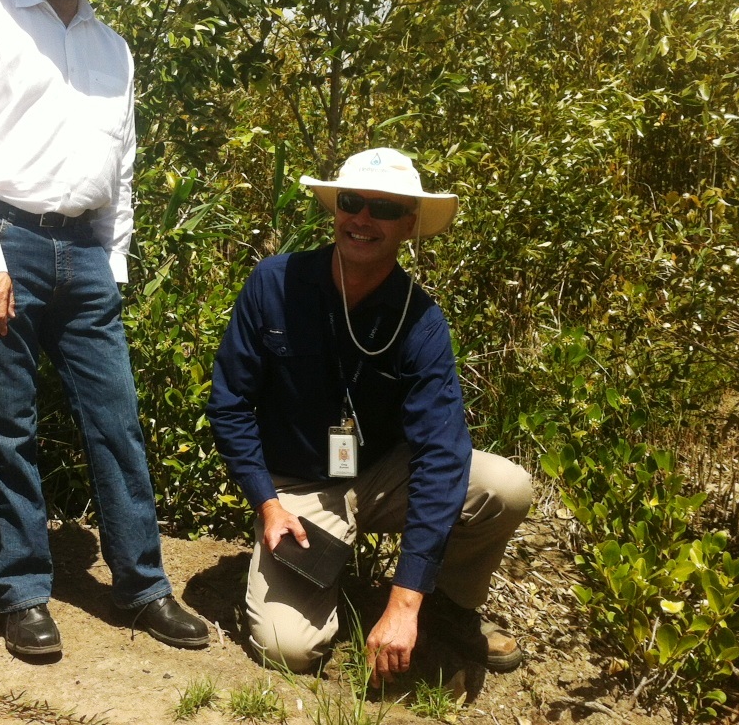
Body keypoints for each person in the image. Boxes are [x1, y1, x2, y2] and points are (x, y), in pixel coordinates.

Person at [0, 0, 208, 657]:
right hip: (1, 241)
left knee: (116, 421)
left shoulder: (108, 46)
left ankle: (144, 587)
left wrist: (112, 260)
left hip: (84, 252)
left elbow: (121, 159)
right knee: (7, 423)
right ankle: (22, 590)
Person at [206, 148, 532, 677]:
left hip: (381, 477)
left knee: (505, 486)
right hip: (296, 490)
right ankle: (328, 584)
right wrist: (267, 503)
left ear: (408, 224)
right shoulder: (274, 284)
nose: (362, 219)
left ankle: (446, 609)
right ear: (336, 210)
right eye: (352, 202)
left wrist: (405, 604)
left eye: (383, 209)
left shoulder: (421, 320)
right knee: (288, 651)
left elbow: (442, 455)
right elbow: (230, 404)